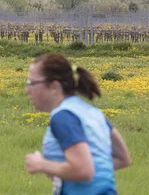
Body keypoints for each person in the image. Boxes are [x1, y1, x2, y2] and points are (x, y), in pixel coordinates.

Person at [24, 53, 131, 194]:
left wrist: (42, 164)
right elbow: (123, 158)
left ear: (54, 86)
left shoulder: (63, 117)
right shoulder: (92, 113)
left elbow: (83, 170)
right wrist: (62, 170)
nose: (27, 90)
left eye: (32, 83)